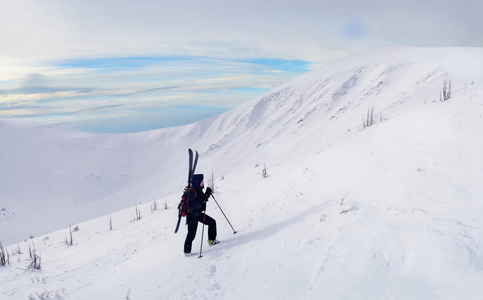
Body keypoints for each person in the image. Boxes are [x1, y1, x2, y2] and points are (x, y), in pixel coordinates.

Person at [184, 174, 219, 256]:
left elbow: (203, 199)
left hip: (198, 214)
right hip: (192, 216)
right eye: (201, 181)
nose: (203, 182)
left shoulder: (198, 190)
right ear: (197, 182)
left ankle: (211, 240)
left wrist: (207, 194)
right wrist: (201, 201)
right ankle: (187, 251)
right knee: (191, 234)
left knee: (212, 222)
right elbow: (190, 206)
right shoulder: (191, 192)